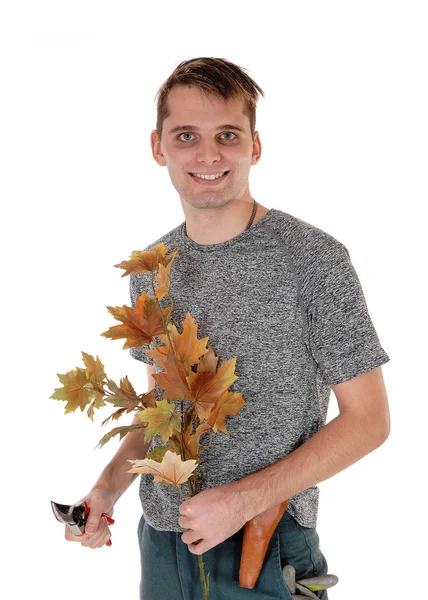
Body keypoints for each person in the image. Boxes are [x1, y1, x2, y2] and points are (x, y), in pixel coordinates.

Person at [64, 57, 391, 599]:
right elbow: (162, 413)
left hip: (267, 544)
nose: (208, 155)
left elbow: (371, 421)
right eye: (187, 135)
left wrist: (240, 502)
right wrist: (106, 490)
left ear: (254, 147)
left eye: (228, 135)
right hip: (164, 546)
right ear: (157, 147)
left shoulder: (313, 259)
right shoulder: (152, 269)